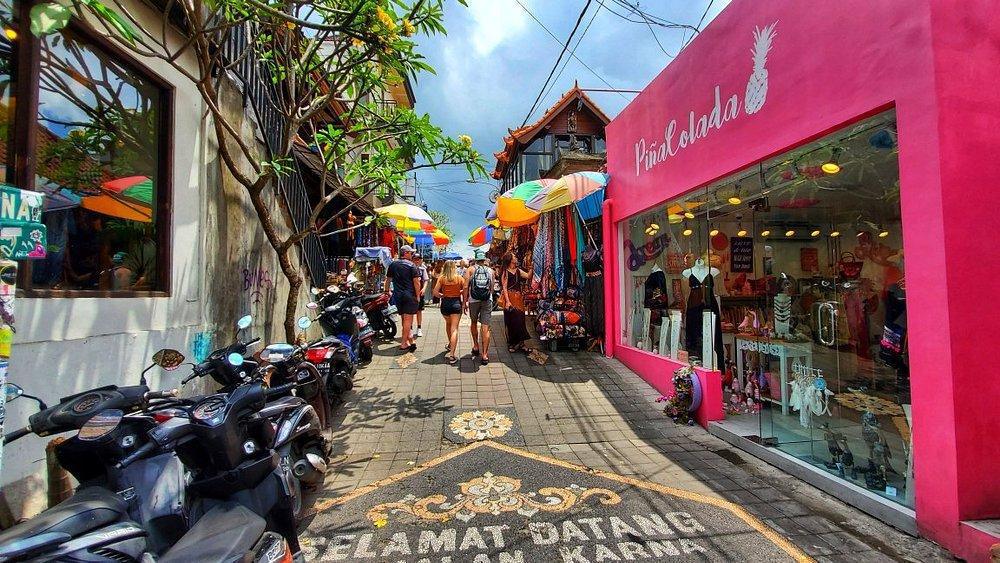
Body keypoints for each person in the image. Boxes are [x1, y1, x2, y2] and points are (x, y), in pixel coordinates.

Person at [385, 245, 421, 352]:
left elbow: (388, 280)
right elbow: (416, 282)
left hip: (398, 296)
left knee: (403, 318)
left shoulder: (393, 264)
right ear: (405, 253)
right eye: (410, 253)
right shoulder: (411, 266)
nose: (412, 255)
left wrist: (386, 291)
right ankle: (404, 343)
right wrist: (418, 295)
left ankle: (409, 339)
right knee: (408, 320)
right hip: (409, 296)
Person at [465, 252, 494, 365]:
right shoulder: (491, 271)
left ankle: (476, 346)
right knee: (485, 327)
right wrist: (488, 296)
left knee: (473, 322)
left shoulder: (470, 270)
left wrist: (464, 302)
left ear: (476, 259)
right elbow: (491, 288)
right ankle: (485, 355)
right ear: (484, 260)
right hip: (487, 300)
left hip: (473, 300)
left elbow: (466, 286)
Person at [434, 261, 466, 365]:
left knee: (448, 324)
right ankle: (452, 355)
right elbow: (465, 289)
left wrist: (442, 296)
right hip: (456, 303)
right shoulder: (459, 278)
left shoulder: (442, 278)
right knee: (454, 329)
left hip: (445, 304)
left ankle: (450, 344)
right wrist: (460, 295)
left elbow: (435, 292)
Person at [500, 252, 532, 353]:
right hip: (510, 298)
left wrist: (532, 267)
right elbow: (504, 288)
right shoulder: (505, 272)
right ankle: (513, 343)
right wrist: (508, 301)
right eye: (514, 257)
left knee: (521, 320)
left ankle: (521, 344)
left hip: (518, 298)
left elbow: (527, 276)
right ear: (510, 259)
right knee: (511, 322)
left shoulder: (518, 270)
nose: (516, 258)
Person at [412, 254, 428, 338]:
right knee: (410, 312)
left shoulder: (422, 269)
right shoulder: (409, 268)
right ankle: (410, 328)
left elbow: (425, 280)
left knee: (419, 311)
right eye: (415, 259)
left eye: (418, 259)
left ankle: (419, 328)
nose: (417, 261)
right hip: (411, 293)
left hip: (420, 293)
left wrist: (424, 288)